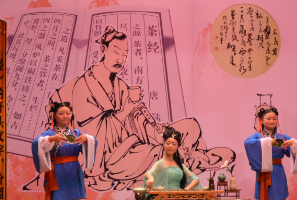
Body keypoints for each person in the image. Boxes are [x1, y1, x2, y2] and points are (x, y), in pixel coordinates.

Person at [48, 25, 235, 191]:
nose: (121, 59)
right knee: (159, 154)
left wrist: (158, 129)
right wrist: (129, 107)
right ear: (103, 50)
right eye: (116, 52)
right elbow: (93, 133)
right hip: (115, 157)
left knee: (190, 125)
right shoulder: (84, 86)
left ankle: (185, 156)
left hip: (136, 142)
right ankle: (189, 158)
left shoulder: (121, 86)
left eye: (124, 54)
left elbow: (138, 122)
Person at [32, 101, 97, 200]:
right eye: (61, 113)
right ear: (54, 115)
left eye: (68, 113)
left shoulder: (75, 133)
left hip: (73, 174)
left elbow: (92, 141)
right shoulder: (48, 134)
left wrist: (87, 139)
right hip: (56, 174)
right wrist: (51, 139)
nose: (65, 116)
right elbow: (36, 144)